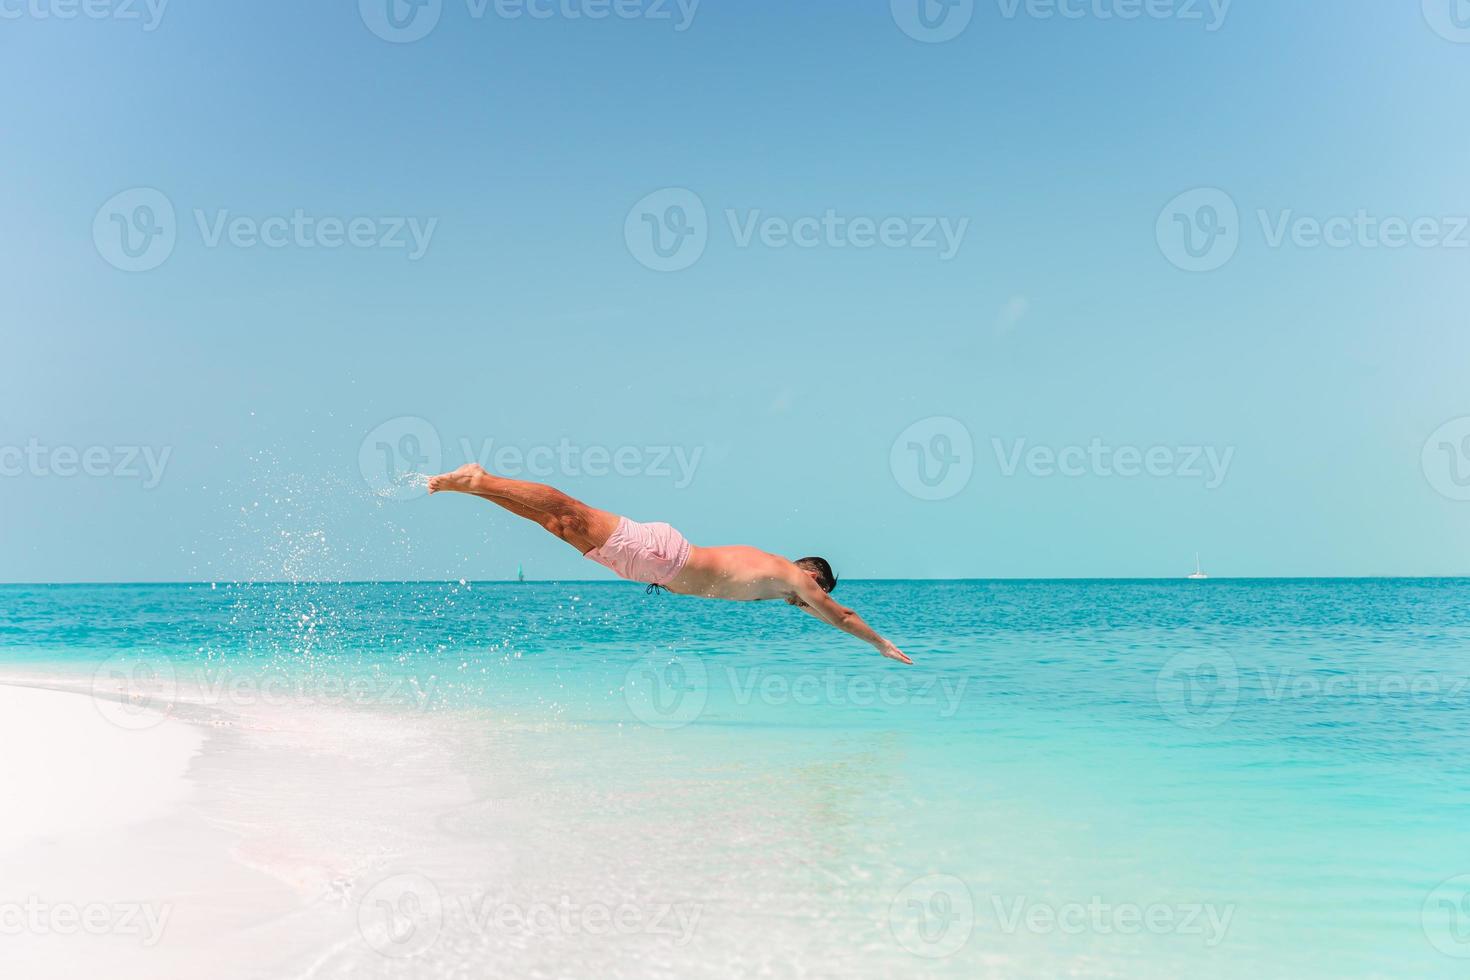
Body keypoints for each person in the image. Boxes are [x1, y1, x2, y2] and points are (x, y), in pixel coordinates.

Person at [427, 464, 912, 664]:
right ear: (812, 576)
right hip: (664, 556)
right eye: (817, 589)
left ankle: (479, 488)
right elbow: (840, 615)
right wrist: (881, 643)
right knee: (570, 514)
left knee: (558, 526)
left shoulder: (775, 586)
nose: (813, 601)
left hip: (653, 567)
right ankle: (480, 478)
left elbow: (817, 611)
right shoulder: (788, 573)